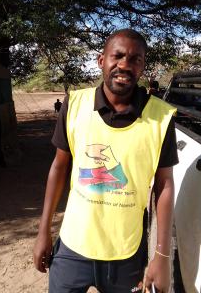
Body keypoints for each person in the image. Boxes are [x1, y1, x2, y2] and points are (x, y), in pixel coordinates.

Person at [33, 29, 178, 293]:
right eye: (118, 56)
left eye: (135, 59)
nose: (125, 64)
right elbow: (59, 167)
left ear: (143, 66)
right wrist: (44, 230)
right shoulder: (75, 105)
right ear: (102, 60)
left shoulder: (161, 118)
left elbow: (165, 185)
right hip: (72, 247)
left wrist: (162, 257)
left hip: (125, 253)